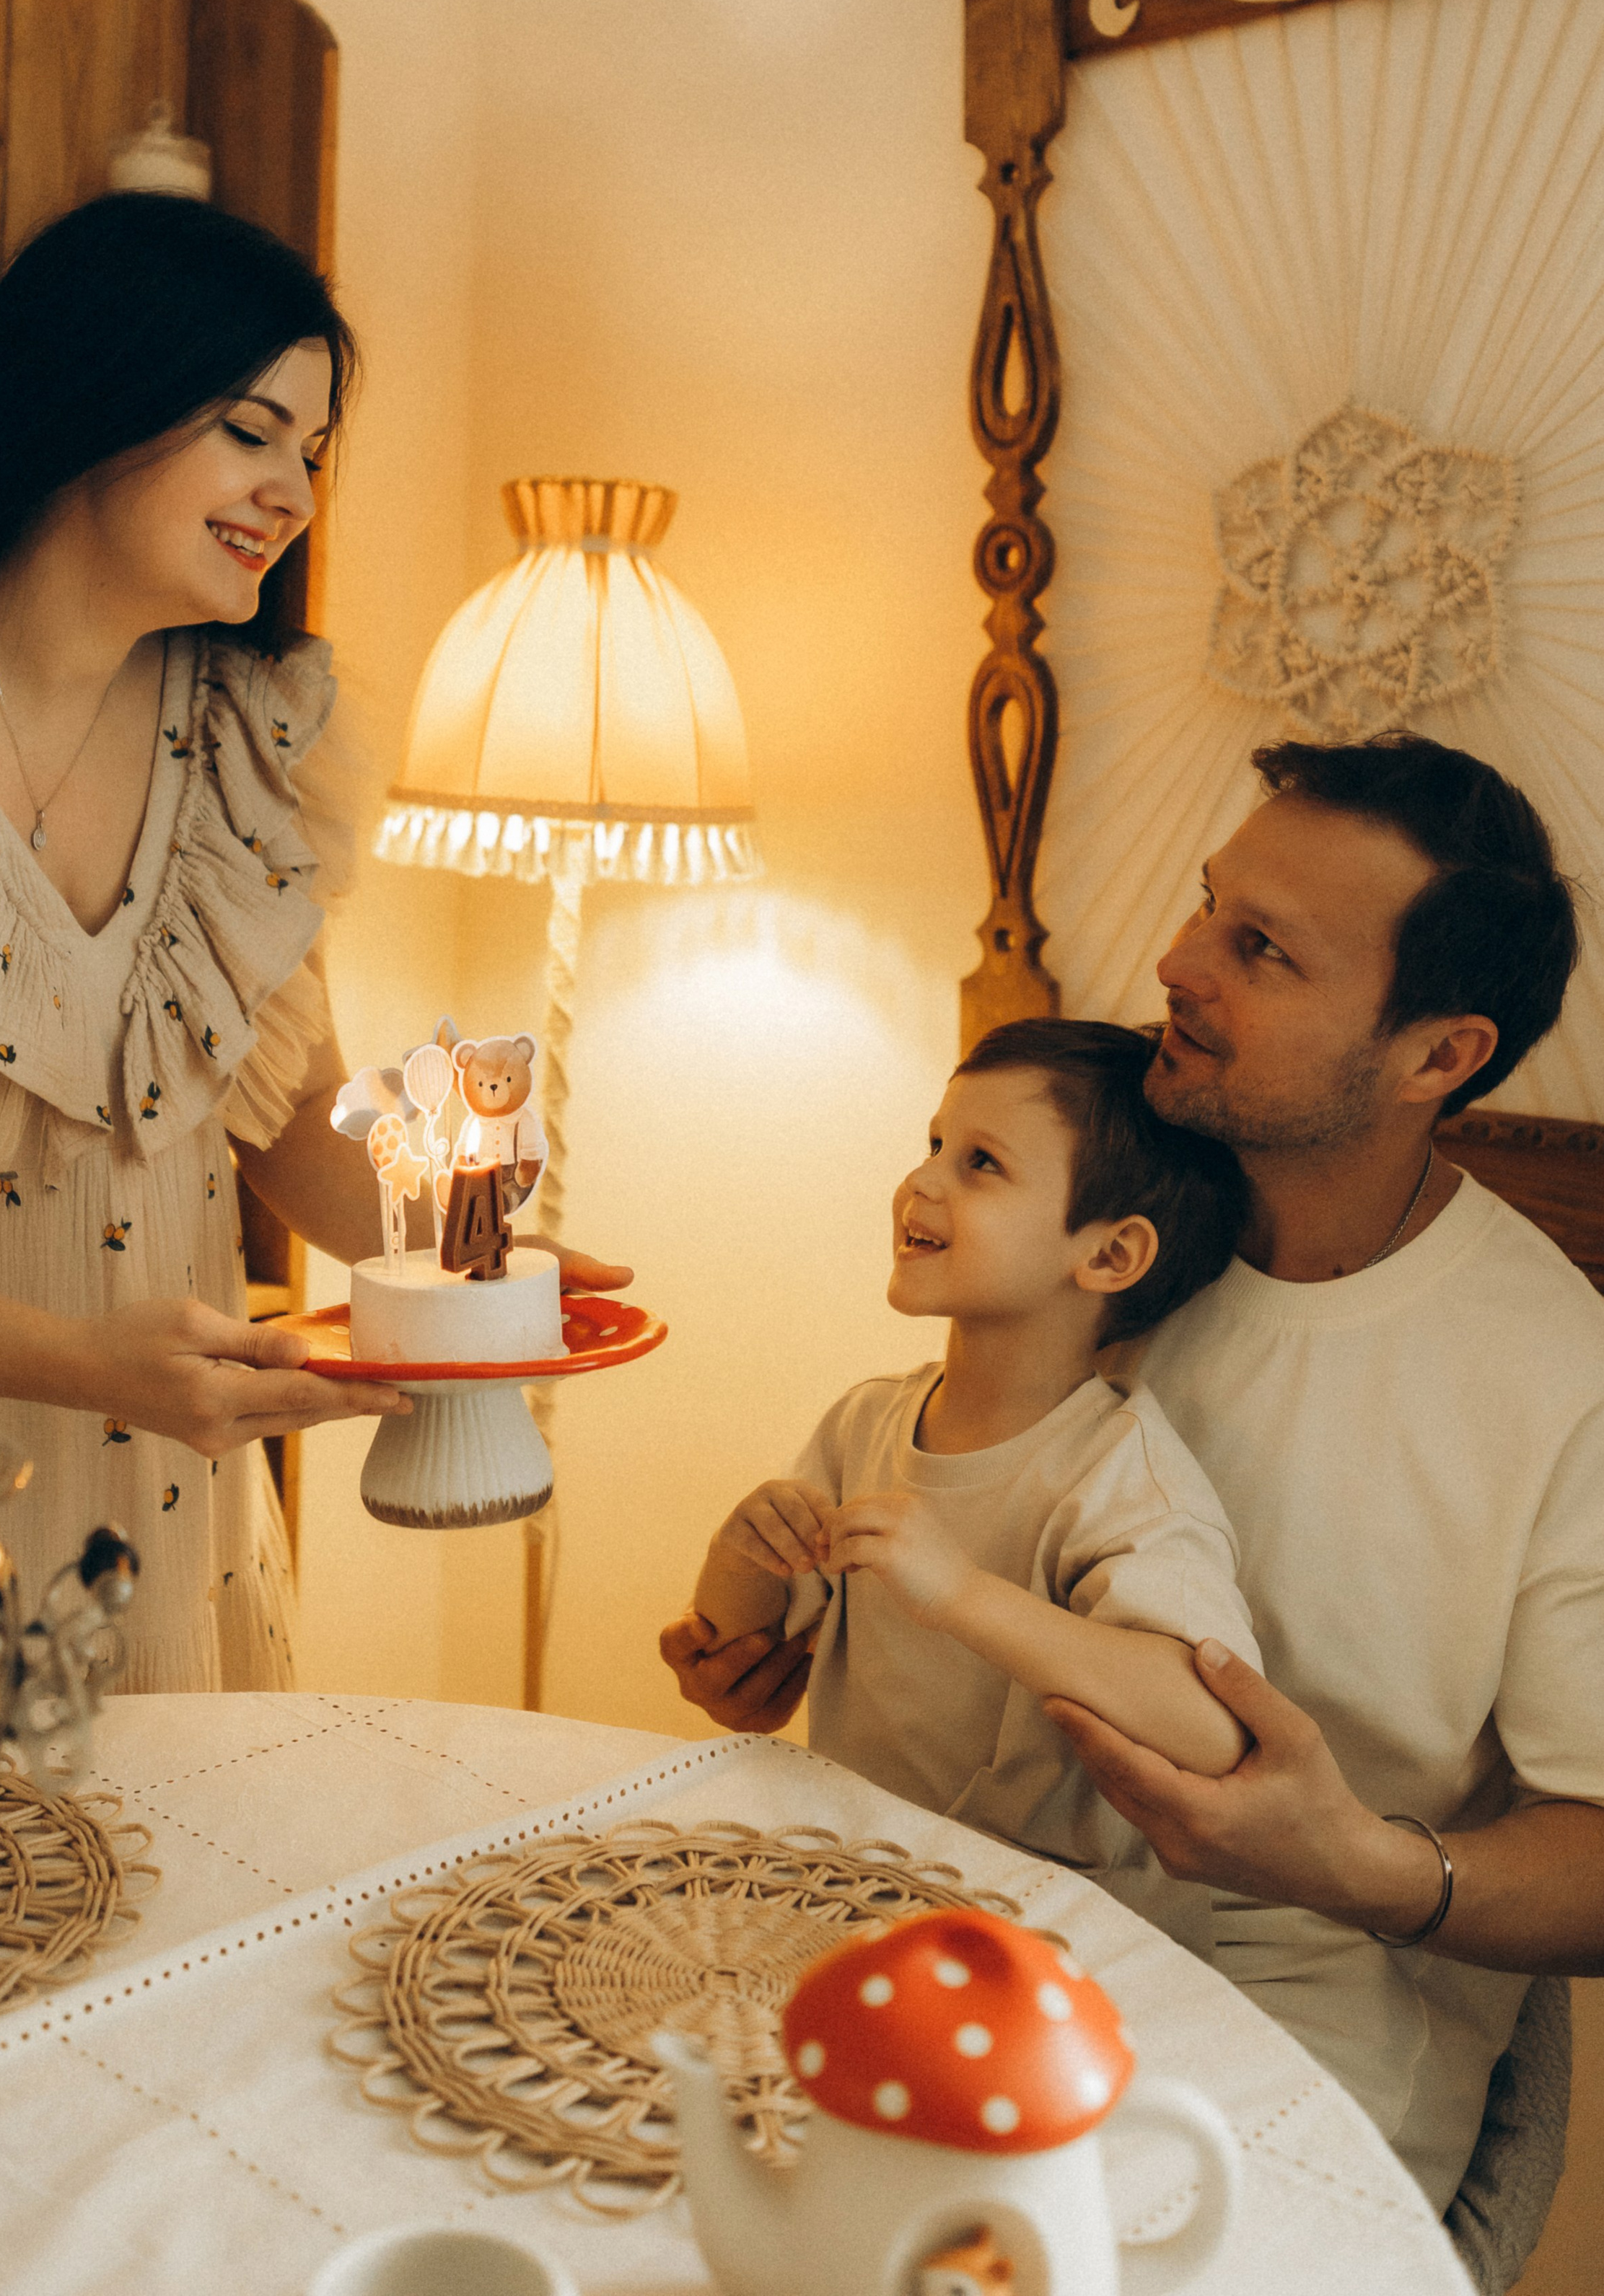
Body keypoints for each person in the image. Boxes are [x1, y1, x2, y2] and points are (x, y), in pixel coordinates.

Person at [664, 731, 1604, 2218]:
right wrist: (796, 1635)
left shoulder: (1555, 1376)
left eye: (1259, 950)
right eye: (1203, 903)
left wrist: (1355, 1866)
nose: (1174, 963)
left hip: (1274, 2039)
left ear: (1438, 1054)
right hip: (934, 1919)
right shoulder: (1091, 1216)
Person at [0, 193, 623, 1692]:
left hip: (169, 1533)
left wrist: (473, 1273)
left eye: (312, 451)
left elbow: (291, 1121)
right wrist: (85, 1368)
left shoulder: (251, 744)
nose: (291, 490)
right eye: (249, 428)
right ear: (98, 388)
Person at [682, 1019, 1258, 1944]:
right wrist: (740, 1548)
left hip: (1036, 1931)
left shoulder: (1118, 1474)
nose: (922, 1180)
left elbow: (1209, 1730)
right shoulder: (864, 1423)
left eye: (980, 1163)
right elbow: (733, 1653)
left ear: (1109, 1255)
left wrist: (961, 1596)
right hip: (849, 1886)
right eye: (934, 1145)